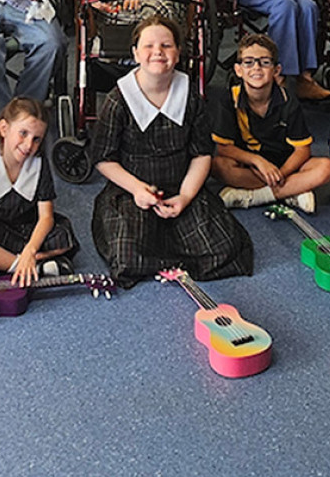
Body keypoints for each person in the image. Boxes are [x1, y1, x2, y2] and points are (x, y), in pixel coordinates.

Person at [89, 17, 253, 288]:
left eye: (166, 45)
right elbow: (103, 159)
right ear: (135, 53)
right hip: (134, 190)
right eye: (149, 45)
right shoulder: (118, 99)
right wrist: (139, 190)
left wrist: (186, 197)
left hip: (181, 185)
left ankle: (171, 250)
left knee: (223, 247)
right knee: (127, 255)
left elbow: (202, 154)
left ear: (178, 53)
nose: (158, 52)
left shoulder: (189, 95)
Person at [0, 97, 80, 284]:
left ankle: (1, 262)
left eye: (36, 139)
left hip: (28, 229)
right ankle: (34, 267)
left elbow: (46, 217)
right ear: (4, 128)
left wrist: (30, 249)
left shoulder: (39, 164)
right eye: (23, 133)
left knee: (64, 236)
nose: (29, 145)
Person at [212, 34, 330, 212]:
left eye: (265, 62)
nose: (256, 68)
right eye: (248, 62)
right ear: (238, 70)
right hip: (252, 166)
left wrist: (280, 174)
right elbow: (224, 148)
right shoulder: (229, 98)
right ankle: (292, 192)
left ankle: (255, 196)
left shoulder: (288, 101)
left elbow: (302, 149)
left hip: (286, 166)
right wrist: (258, 162)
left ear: (276, 70)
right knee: (217, 166)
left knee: (327, 168)